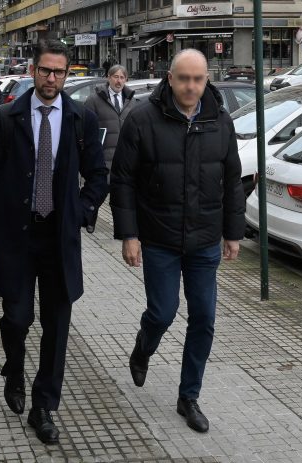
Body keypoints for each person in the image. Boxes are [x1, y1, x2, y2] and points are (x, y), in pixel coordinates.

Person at [0, 40, 109, 445]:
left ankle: (43, 406)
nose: (51, 78)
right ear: (33, 71)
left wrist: (81, 211)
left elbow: (98, 177)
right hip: (16, 236)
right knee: (17, 319)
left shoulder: (81, 119)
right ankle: (14, 368)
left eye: (59, 72)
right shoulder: (8, 117)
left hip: (59, 240)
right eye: (45, 70)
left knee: (57, 326)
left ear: (66, 74)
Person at [110, 49, 246, 433]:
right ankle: (144, 347)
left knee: (204, 318)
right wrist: (129, 235)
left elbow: (232, 180)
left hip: (205, 239)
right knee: (163, 312)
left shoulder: (220, 121)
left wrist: (233, 233)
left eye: (197, 79)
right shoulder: (142, 120)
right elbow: (122, 180)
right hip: (159, 238)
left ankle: (189, 397)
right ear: (170, 78)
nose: (190, 86)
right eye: (183, 78)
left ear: (206, 80)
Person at [83, 64, 139, 173]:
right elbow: (85, 128)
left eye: (122, 78)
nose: (119, 81)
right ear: (109, 78)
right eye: (116, 77)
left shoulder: (132, 101)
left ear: (126, 80)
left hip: (125, 161)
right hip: (102, 160)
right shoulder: (94, 100)